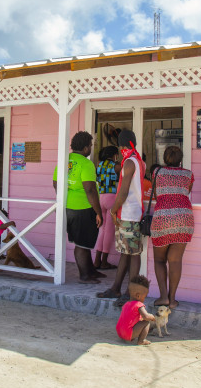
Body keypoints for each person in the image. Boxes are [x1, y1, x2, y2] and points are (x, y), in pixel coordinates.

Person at [96, 129, 145, 305]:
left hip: (129, 213)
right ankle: (116, 288)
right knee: (126, 252)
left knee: (133, 254)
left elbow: (123, 192)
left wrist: (113, 210)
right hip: (131, 213)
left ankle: (130, 294)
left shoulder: (129, 162)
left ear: (122, 146)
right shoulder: (138, 161)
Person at [53, 131, 105, 284]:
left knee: (84, 241)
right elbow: (90, 189)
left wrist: (67, 196)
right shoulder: (86, 164)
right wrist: (98, 212)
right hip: (83, 208)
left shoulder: (64, 160)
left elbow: (56, 183)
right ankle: (84, 275)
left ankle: (91, 271)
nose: (91, 148)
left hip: (67, 208)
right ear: (85, 148)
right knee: (82, 244)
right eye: (90, 145)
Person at [150, 146, 194, 309]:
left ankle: (163, 297)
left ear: (165, 159)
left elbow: (156, 195)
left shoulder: (157, 172)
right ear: (180, 160)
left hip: (163, 218)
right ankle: (173, 299)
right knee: (175, 260)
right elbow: (186, 192)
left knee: (159, 260)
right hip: (183, 218)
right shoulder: (188, 174)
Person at [93, 146, 120, 270]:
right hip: (111, 197)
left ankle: (96, 261)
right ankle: (104, 261)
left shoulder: (99, 165)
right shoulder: (116, 166)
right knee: (109, 230)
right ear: (114, 155)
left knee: (102, 230)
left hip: (101, 197)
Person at [115, 274, 156, 346]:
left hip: (120, 332)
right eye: (145, 296)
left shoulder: (126, 304)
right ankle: (141, 341)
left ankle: (131, 336)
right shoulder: (139, 304)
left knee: (140, 321)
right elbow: (146, 316)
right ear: (138, 296)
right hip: (128, 333)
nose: (144, 299)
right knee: (146, 322)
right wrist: (152, 317)